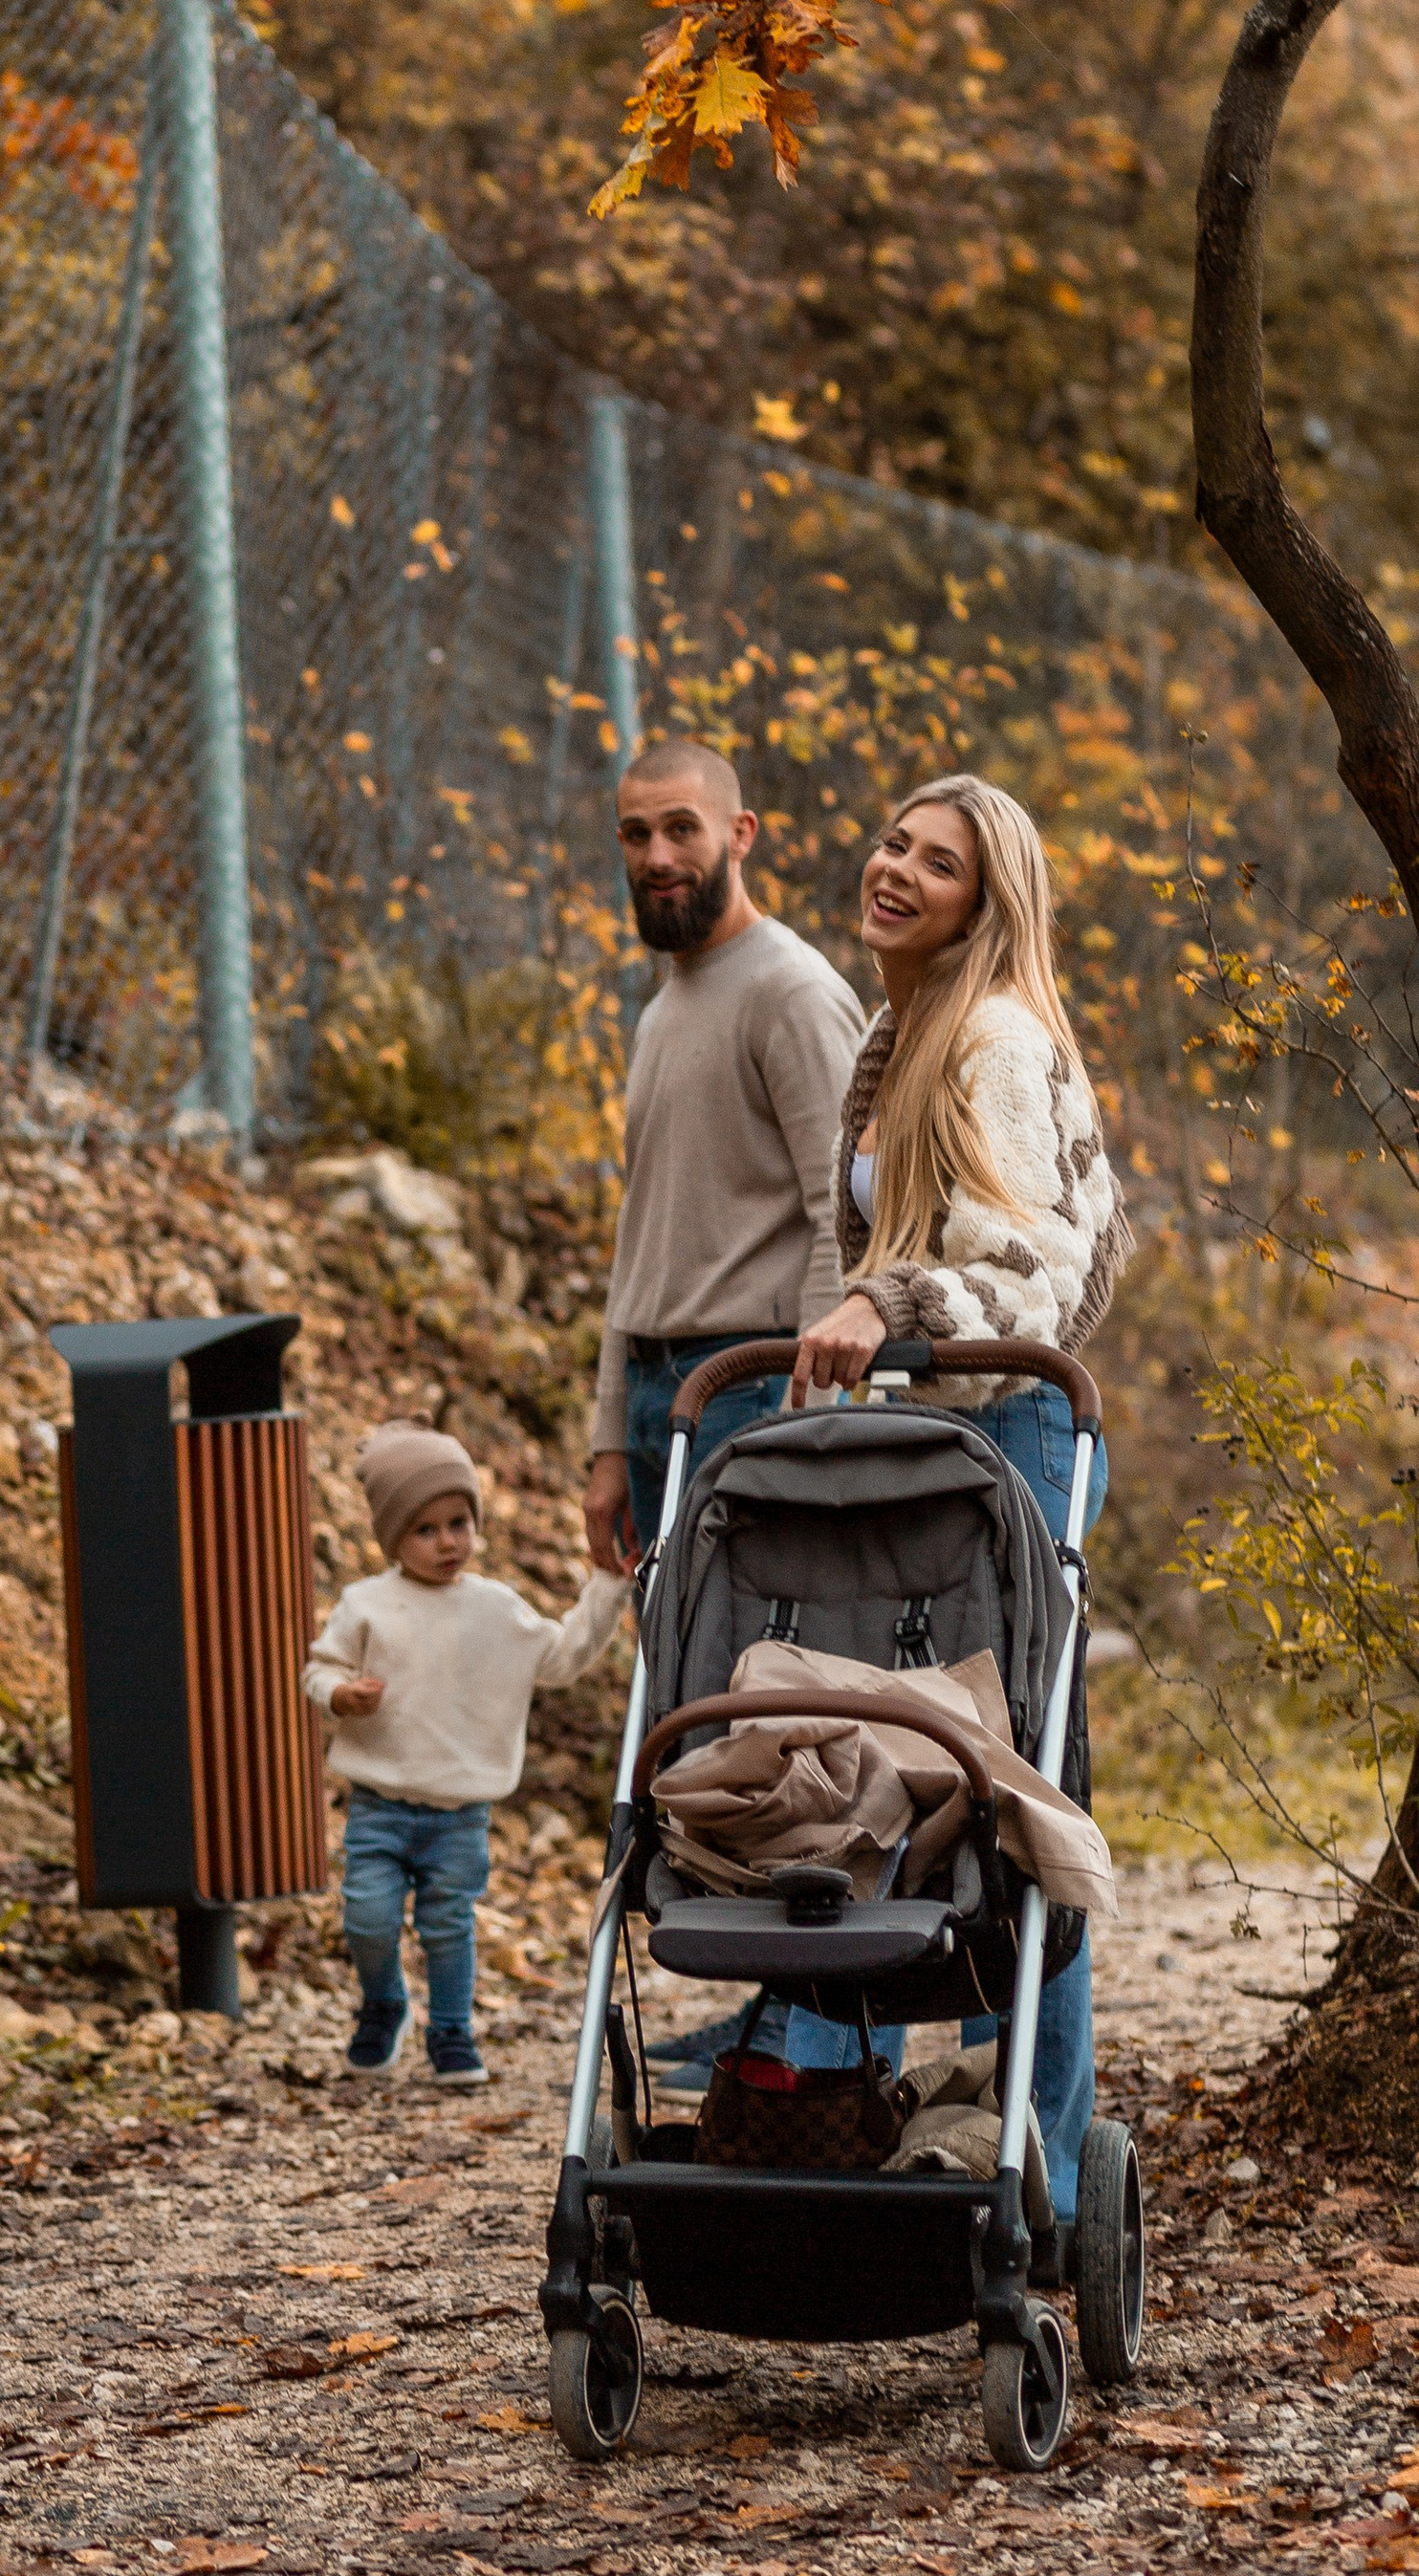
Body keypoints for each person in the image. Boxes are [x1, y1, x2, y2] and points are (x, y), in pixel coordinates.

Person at [779, 771, 1130, 2233]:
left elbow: (1045, 1268)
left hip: (1011, 1435)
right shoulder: (895, 1029)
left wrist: (897, 1299)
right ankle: (877, 2141)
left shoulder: (988, 1036)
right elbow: (854, 1249)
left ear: (992, 905)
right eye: (892, 843)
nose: (898, 871)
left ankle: (1034, 2167)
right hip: (915, 1435)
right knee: (896, 1786)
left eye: (940, 863)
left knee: (1010, 1793)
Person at [583, 737, 864, 1572]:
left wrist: (803, 1414)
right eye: (636, 835)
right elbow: (638, 1237)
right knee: (675, 1684)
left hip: (749, 1386)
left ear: (741, 833)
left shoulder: (793, 992)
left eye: (682, 828)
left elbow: (844, 1215)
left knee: (751, 1680)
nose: (658, 856)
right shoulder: (663, 1008)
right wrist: (607, 1442)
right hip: (653, 1399)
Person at [305, 1421, 625, 2088]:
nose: (448, 1540)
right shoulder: (367, 1604)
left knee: (448, 1925)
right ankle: (384, 2004)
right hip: (379, 1805)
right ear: (392, 1536)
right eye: (426, 1529)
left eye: (459, 1522)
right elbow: (318, 1667)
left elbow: (560, 1656)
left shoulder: (495, 1608)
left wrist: (605, 1586)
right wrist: (339, 1692)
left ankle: (451, 2029)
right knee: (366, 1915)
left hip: (459, 1813)